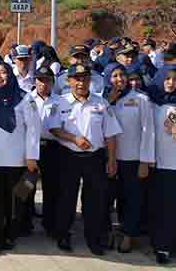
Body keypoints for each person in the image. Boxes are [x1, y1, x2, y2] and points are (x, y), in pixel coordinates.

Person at [53, 64, 122, 255]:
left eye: (85, 78)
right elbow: (53, 128)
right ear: (69, 81)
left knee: (95, 201)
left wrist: (112, 160)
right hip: (69, 157)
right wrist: (73, 138)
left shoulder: (101, 103)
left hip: (95, 158)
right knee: (66, 198)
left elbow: (110, 135)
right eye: (77, 78)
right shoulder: (61, 102)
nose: (81, 82)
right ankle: (64, 235)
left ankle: (94, 239)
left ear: (90, 80)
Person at [0, 61, 41, 255]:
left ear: (11, 75)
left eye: (3, 73)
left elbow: (34, 128)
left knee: (17, 200)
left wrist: (32, 156)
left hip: (18, 159)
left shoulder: (25, 98)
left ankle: (11, 234)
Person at [102, 63, 155, 253]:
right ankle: (108, 232)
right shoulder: (102, 101)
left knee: (132, 199)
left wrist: (145, 161)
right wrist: (108, 101)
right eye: (114, 76)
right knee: (108, 198)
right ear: (108, 79)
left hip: (133, 160)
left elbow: (148, 131)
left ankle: (128, 234)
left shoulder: (140, 99)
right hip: (110, 159)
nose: (120, 79)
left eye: (122, 75)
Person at [31, 65, 69, 239]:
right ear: (35, 81)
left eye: (47, 80)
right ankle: (23, 222)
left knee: (51, 188)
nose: (43, 84)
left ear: (53, 82)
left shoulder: (61, 101)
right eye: (40, 80)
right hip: (31, 147)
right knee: (25, 186)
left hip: (52, 148)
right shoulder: (26, 99)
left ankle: (50, 224)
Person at [150, 66, 176, 264]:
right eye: (167, 78)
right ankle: (163, 246)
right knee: (164, 208)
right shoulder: (152, 103)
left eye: (175, 79)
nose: (171, 83)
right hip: (162, 164)